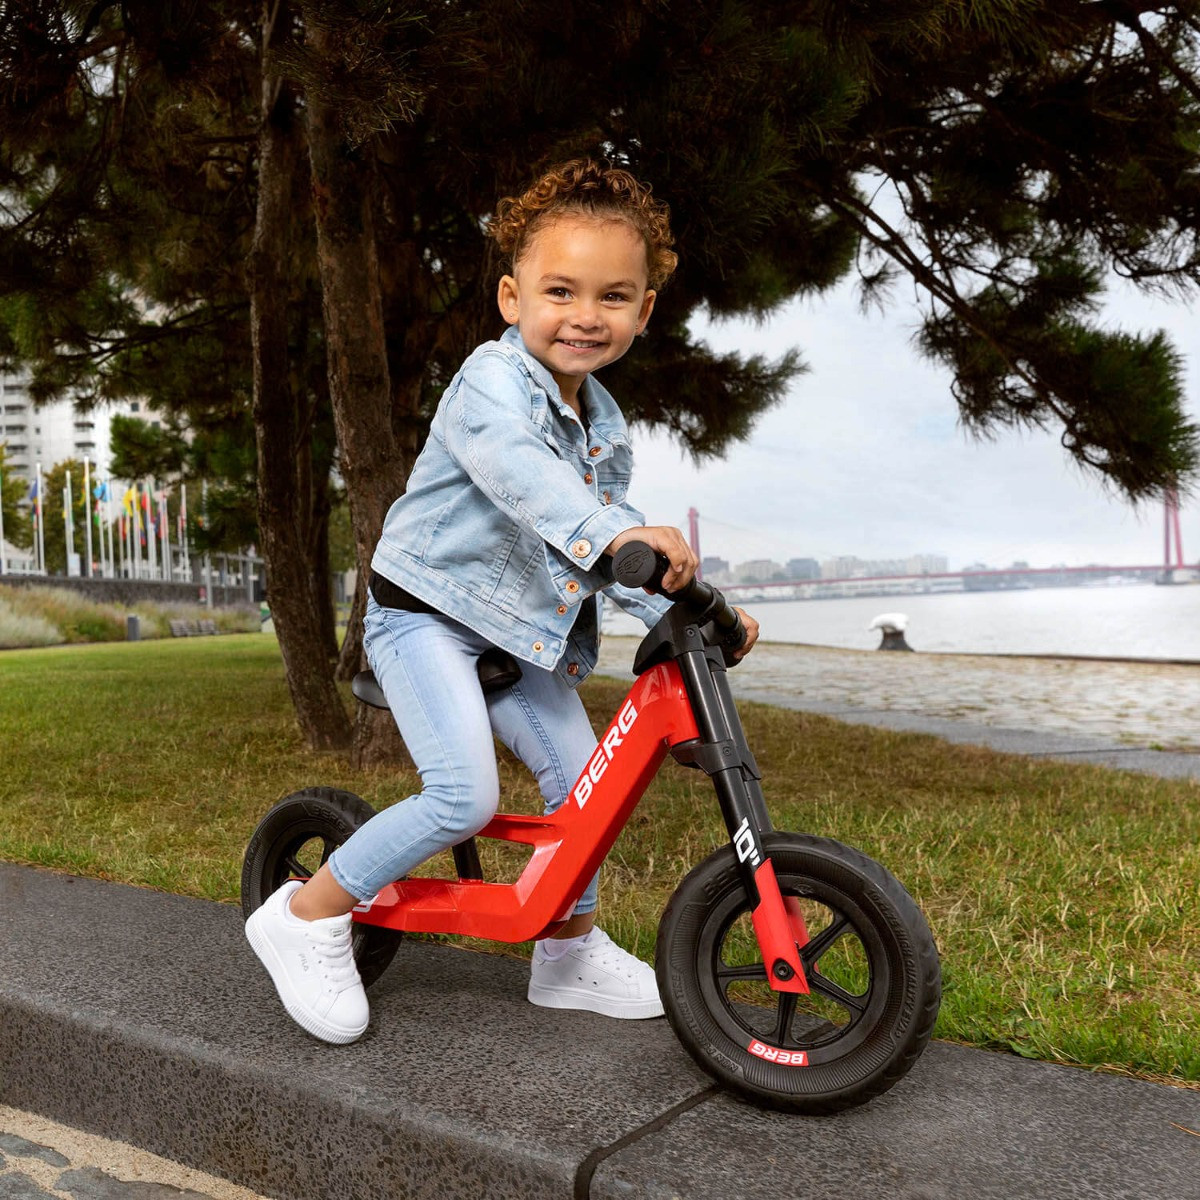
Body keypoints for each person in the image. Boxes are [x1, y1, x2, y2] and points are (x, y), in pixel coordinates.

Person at [246, 159, 760, 1044]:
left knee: (583, 788)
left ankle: (566, 953)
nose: (585, 316)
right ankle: (303, 917)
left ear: (643, 312)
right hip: (422, 619)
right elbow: (531, 485)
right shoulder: (490, 383)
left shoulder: (605, 427)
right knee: (463, 797)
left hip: (512, 637)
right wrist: (614, 537)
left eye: (613, 297)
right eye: (560, 290)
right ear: (511, 298)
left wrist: (688, 604)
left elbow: (612, 541)